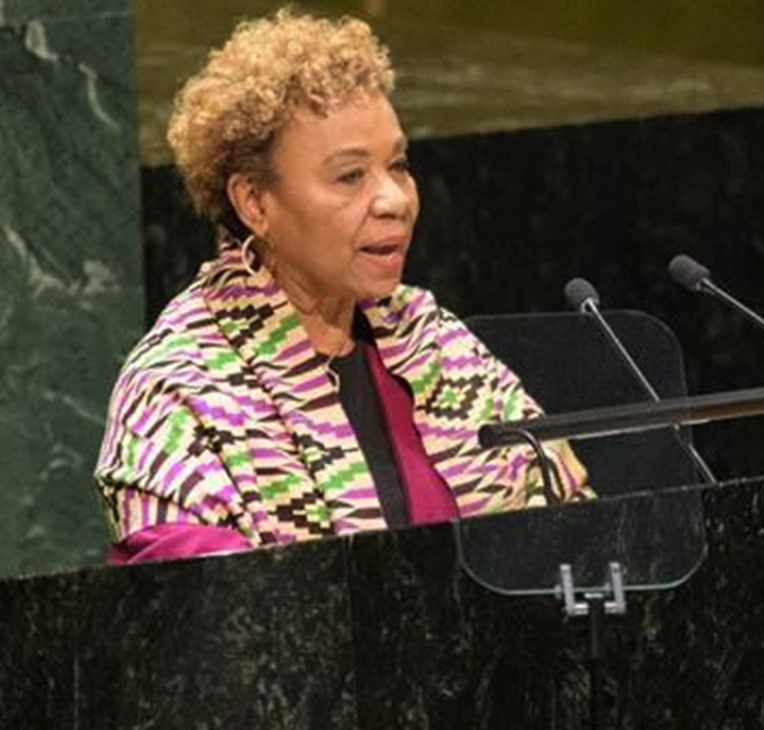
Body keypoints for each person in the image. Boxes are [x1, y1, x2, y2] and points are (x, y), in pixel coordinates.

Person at [93, 8, 591, 565]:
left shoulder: (438, 346)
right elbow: (203, 618)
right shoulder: (179, 388)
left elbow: (579, 533)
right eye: (350, 176)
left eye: (398, 165)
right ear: (254, 202)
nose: (395, 201)